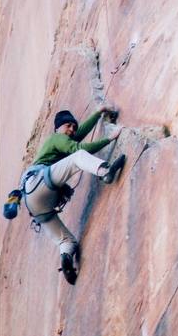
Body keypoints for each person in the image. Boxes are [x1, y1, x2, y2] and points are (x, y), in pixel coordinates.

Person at [21, 105, 125, 284]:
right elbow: (78, 148)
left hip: (36, 205)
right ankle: (104, 171)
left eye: (73, 126)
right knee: (78, 157)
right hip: (39, 181)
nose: (71, 129)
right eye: (68, 125)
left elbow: (80, 133)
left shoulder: (60, 142)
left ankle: (66, 258)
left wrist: (98, 113)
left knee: (67, 242)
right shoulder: (56, 138)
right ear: (57, 128)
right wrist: (109, 139)